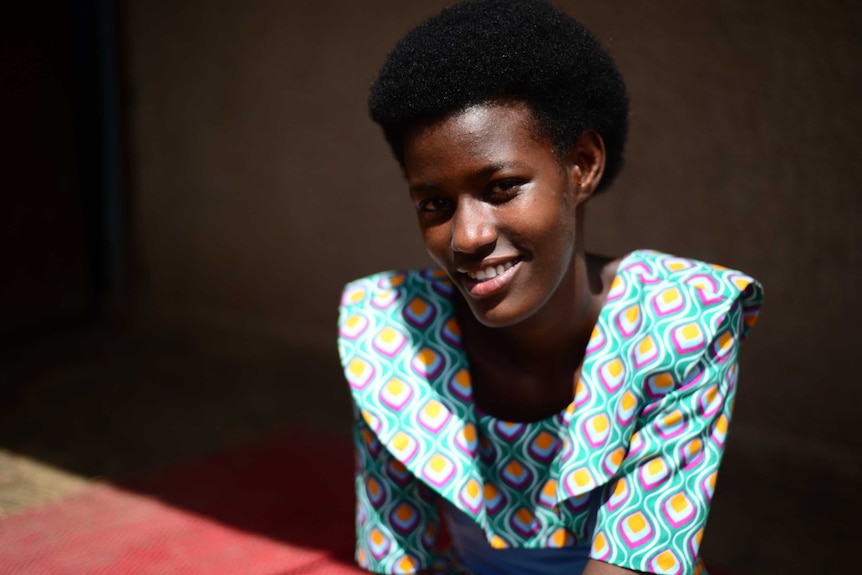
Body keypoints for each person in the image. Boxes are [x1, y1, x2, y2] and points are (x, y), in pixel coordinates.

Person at [337, 1, 763, 573]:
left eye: (504, 186)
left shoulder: (678, 324)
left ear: (582, 165)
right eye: (435, 204)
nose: (467, 236)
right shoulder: (393, 331)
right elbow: (397, 556)